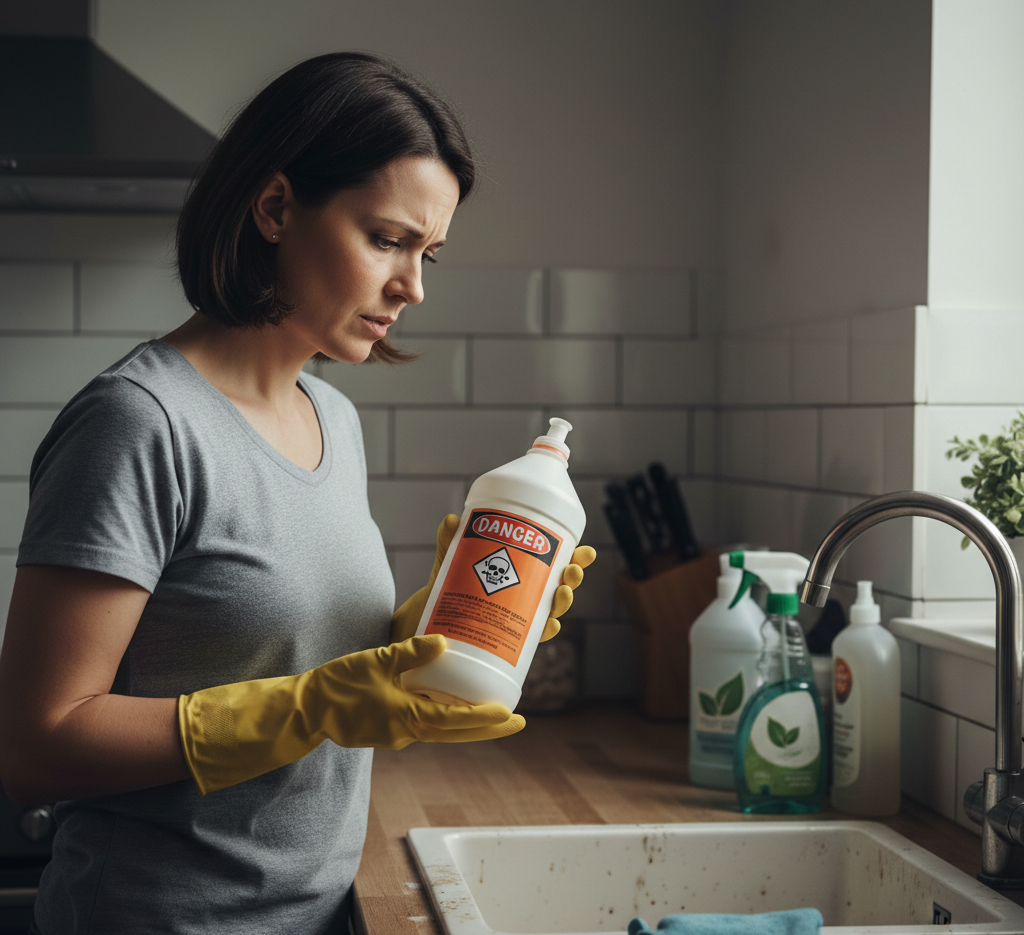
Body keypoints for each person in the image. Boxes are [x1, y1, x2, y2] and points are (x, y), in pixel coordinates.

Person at [0, 52, 594, 935]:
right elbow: (37, 745)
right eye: (388, 238)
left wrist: (443, 631)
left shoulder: (332, 416)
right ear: (276, 207)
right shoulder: (140, 424)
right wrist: (313, 708)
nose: (414, 286)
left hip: (313, 915)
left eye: (428, 251)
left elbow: (289, 656)